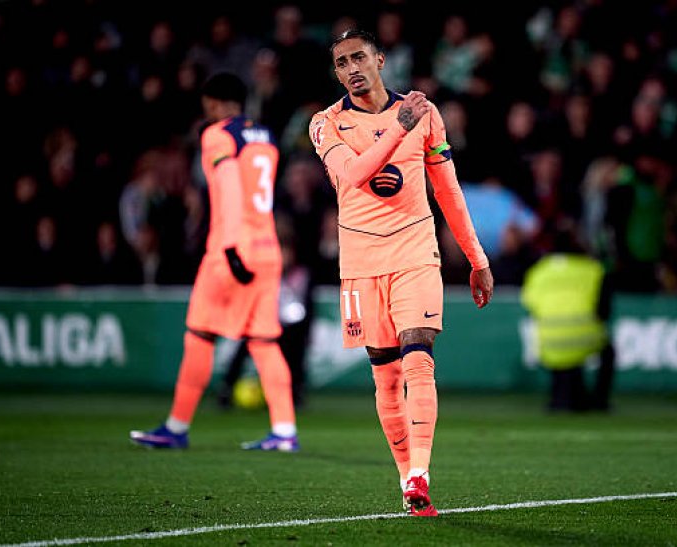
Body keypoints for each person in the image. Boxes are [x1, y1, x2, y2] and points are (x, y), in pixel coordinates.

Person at [308, 29, 494, 517]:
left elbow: (447, 190)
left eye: (359, 58)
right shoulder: (325, 124)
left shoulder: (423, 114)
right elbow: (354, 175)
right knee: (387, 379)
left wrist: (477, 259)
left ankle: (420, 474)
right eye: (341, 62)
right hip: (361, 265)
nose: (351, 68)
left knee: (419, 358)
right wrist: (399, 127)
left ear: (380, 60)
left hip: (416, 253)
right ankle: (405, 475)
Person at [130, 72, 298, 451]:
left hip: (230, 247)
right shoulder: (266, 136)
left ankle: (176, 427)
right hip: (267, 246)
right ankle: (285, 431)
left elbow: (230, 187)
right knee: (264, 341)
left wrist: (232, 248)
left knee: (200, 335)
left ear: (213, 102)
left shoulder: (217, 135)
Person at [520, 227, 615, 412]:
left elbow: (530, 304)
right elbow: (604, 311)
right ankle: (599, 401)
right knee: (607, 350)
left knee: (560, 356)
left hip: (549, 340)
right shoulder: (592, 269)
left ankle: (561, 396)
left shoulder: (538, 271)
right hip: (584, 337)